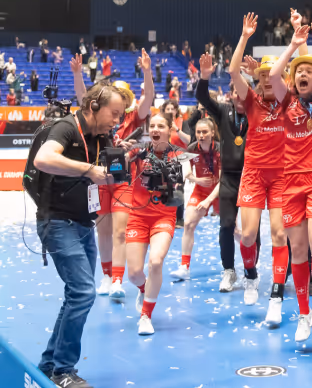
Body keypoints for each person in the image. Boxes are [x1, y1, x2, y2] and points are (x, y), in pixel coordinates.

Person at [33, 84, 125, 388]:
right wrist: (88, 169)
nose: (117, 120)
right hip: (57, 222)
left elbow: (107, 175)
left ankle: (49, 364)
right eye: (114, 113)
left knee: (76, 294)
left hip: (84, 224)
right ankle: (63, 371)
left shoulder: (101, 137)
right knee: (84, 292)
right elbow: (43, 159)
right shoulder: (66, 128)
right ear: (94, 106)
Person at [267, 16, 312, 339]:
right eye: (299, 71)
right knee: (296, 249)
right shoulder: (287, 102)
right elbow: (272, 74)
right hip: (291, 183)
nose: (303, 74)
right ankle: (304, 315)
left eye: (309, 71)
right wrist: (294, 45)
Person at [72, 51, 155, 300]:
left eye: (123, 96)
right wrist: (77, 74)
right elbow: (83, 98)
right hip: (98, 178)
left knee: (120, 231)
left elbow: (148, 97)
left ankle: (118, 279)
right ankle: (106, 276)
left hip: (123, 180)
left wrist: (147, 71)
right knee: (103, 230)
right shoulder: (98, 117)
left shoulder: (134, 116)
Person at [228, 13, 296, 307]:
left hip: (281, 177)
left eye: (273, 75)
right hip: (254, 175)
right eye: (264, 76)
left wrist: (295, 43)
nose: (268, 80)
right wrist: (245, 37)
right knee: (247, 236)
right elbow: (233, 72)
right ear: (258, 79)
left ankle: (277, 289)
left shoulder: (288, 103)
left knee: (280, 235)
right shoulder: (251, 102)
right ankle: (250, 274)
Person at [194, 53, 261, 292]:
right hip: (230, 178)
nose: (240, 97)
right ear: (231, 95)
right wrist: (204, 76)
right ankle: (229, 271)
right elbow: (202, 97)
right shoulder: (223, 112)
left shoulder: (259, 112)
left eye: (244, 93)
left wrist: (257, 77)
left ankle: (251, 271)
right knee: (226, 225)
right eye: (235, 92)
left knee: (253, 229)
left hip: (253, 177)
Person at [125, 114, 184, 336]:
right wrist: (123, 152)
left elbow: (186, 174)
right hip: (138, 217)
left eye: (161, 126)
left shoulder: (178, 155)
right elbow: (116, 167)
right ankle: (143, 287)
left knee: (156, 261)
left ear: (169, 130)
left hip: (163, 217)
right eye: (152, 126)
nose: (156, 129)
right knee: (134, 274)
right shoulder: (138, 152)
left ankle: (146, 316)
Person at [170, 118, 221, 281]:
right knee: (188, 224)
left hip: (220, 192)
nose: (201, 135)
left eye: (205, 132)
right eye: (198, 132)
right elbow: (186, 173)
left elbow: (223, 180)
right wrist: (196, 179)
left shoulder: (221, 149)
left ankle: (250, 262)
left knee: (233, 230)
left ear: (212, 133)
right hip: (201, 191)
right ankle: (184, 267)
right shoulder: (191, 149)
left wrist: (208, 201)